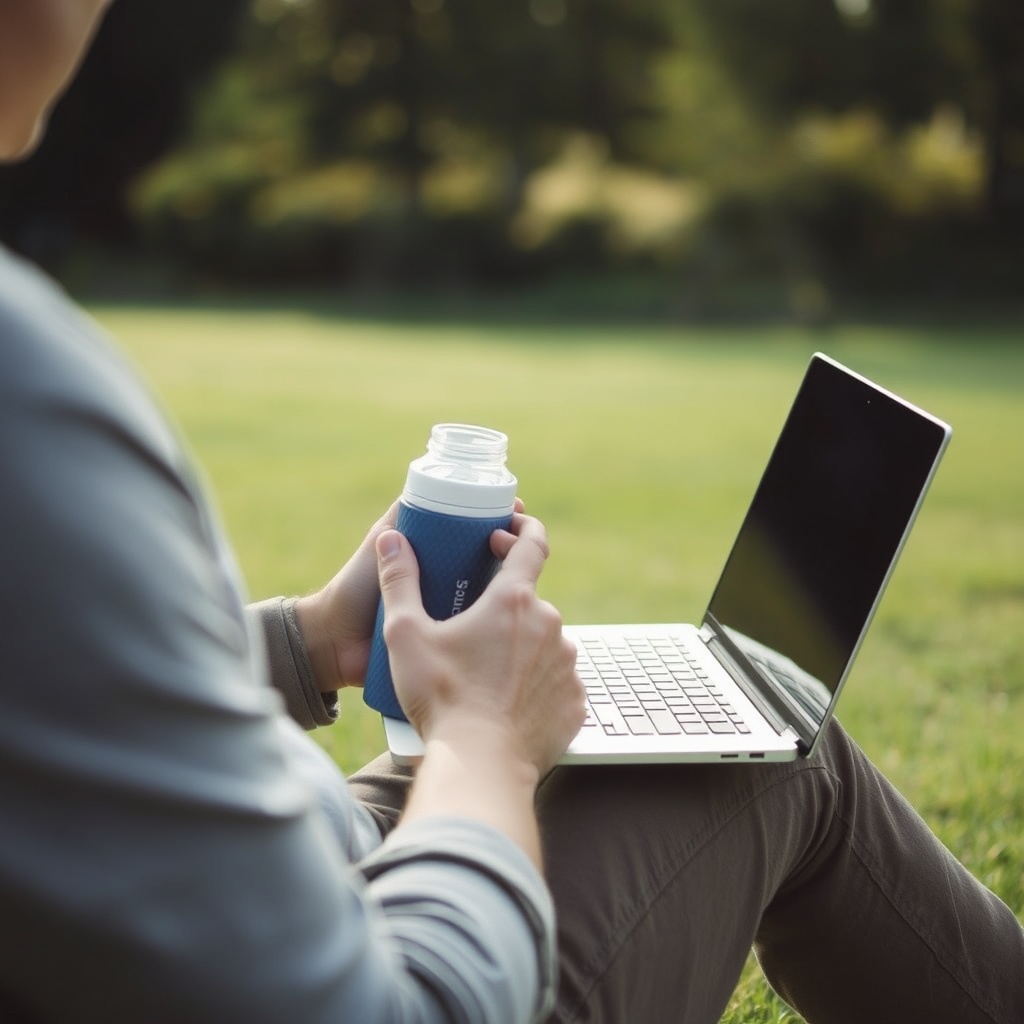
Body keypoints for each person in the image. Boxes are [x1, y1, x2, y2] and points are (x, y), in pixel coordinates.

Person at [0, 4, 1021, 1023]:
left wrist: (307, 641)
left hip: (262, 875)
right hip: (328, 945)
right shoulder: (24, 386)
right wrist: (484, 738)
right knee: (782, 759)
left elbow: (46, 700)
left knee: (732, 721)